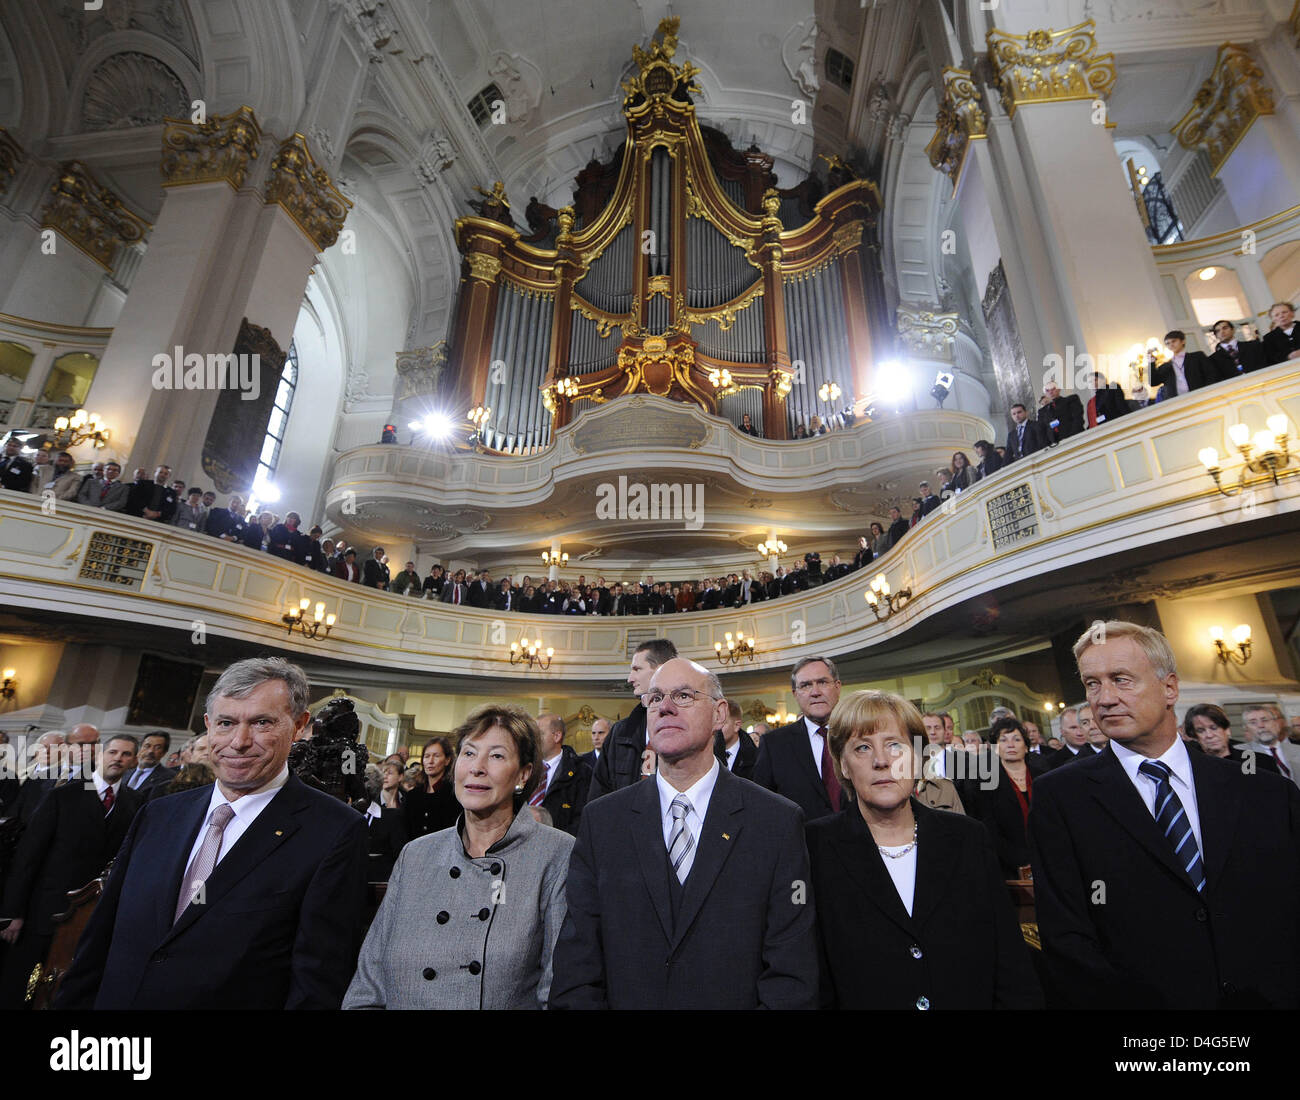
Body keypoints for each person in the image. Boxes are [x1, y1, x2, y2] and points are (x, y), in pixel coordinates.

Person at [55, 657, 370, 1009]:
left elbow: (317, 980)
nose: (239, 741)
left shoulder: (333, 830)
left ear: (298, 726)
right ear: (208, 725)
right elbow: (99, 941)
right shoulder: (158, 813)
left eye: (262, 722)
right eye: (226, 723)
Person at [1028, 620, 1300, 1009]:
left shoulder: (1262, 788)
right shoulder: (1061, 796)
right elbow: (1066, 934)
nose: (1104, 699)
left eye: (1121, 679)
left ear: (1169, 688)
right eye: (1092, 684)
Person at [549, 658, 818, 1009]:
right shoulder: (602, 821)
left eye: (684, 696)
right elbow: (577, 964)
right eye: (655, 697)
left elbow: (791, 972)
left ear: (719, 715)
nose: (665, 708)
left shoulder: (777, 821)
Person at [806, 690, 1041, 1009]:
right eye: (862, 747)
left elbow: (1009, 962)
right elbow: (814, 978)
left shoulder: (967, 838)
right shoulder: (814, 846)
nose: (881, 761)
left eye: (895, 745)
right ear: (844, 765)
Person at [345, 704, 573, 1009]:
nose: (477, 767)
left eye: (496, 756)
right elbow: (369, 982)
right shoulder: (416, 855)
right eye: (469, 753)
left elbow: (556, 991)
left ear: (523, 773)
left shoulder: (556, 855)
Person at [0, 735, 143, 1008]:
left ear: (134, 761)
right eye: (112, 752)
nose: (118, 758)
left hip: (92, 917)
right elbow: (28, 857)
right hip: (43, 911)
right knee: (17, 986)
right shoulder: (63, 796)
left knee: (66, 989)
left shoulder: (137, 802)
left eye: (126, 754)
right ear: (99, 756)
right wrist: (12, 912)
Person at [752, 656, 845, 823]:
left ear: (837, 687)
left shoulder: (859, 733)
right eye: (806, 685)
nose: (815, 692)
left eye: (823, 682)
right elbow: (761, 805)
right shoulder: (774, 744)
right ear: (795, 694)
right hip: (802, 845)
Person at [587, 639, 678, 800]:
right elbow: (599, 793)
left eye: (637, 669)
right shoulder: (620, 732)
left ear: (660, 670)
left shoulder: (696, 726)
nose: (630, 679)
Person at [975, 717, 1038, 878]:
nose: (1010, 745)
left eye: (1017, 739)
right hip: (1008, 866)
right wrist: (1021, 860)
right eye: (1003, 740)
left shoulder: (1042, 776)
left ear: (1026, 746)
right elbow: (989, 828)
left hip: (1048, 856)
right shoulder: (985, 783)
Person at [532, 714, 591, 836]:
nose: (534, 739)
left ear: (557, 736)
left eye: (540, 734)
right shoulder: (525, 768)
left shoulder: (581, 772)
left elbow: (582, 819)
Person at [1183, 703, 1276, 772]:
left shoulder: (1258, 761)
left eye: (1214, 728)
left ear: (1227, 730)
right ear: (1195, 736)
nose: (1209, 735)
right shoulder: (1191, 767)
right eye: (1201, 730)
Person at [404, 737, 459, 839]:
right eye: (426, 756)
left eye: (436, 756)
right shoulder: (413, 795)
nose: (430, 761)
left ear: (447, 760)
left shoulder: (455, 794)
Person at [1240, 704, 1300, 783]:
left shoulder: (1297, 750)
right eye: (1253, 722)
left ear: (1276, 723)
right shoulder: (1241, 753)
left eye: (1265, 720)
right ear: (1246, 729)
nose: (1261, 725)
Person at [1151, 330, 1214, 400]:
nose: (1171, 345)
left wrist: (1208, 392)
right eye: (1167, 343)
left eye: (1174, 341)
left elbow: (1211, 375)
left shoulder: (1197, 356)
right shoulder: (1165, 366)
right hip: (1177, 401)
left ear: (1183, 341)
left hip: (1202, 396)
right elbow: (1153, 382)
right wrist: (1151, 362)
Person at [713, 699, 757, 780]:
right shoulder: (705, 755)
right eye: (714, 722)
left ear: (737, 726)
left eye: (722, 723)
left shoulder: (755, 758)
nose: (716, 727)